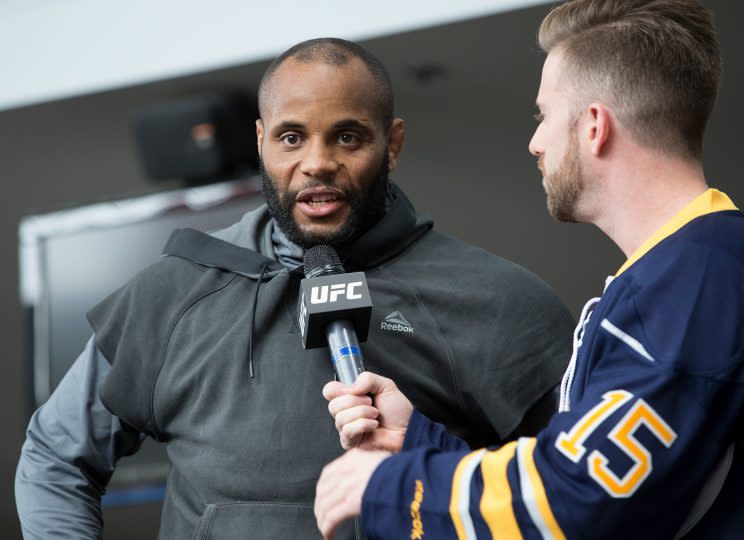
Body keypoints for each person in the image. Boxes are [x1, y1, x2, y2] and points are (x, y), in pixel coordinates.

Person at [15, 38, 574, 539]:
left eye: (347, 137)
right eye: (291, 137)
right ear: (261, 142)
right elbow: (56, 456)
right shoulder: (178, 288)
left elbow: (574, 501)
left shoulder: (502, 303)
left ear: (393, 143)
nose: (317, 163)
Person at [315, 2, 744, 539]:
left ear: (593, 127)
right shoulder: (691, 269)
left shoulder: (696, 275)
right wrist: (415, 440)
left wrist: (388, 484)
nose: (535, 143)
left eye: (543, 115)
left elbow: (583, 499)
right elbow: (606, 482)